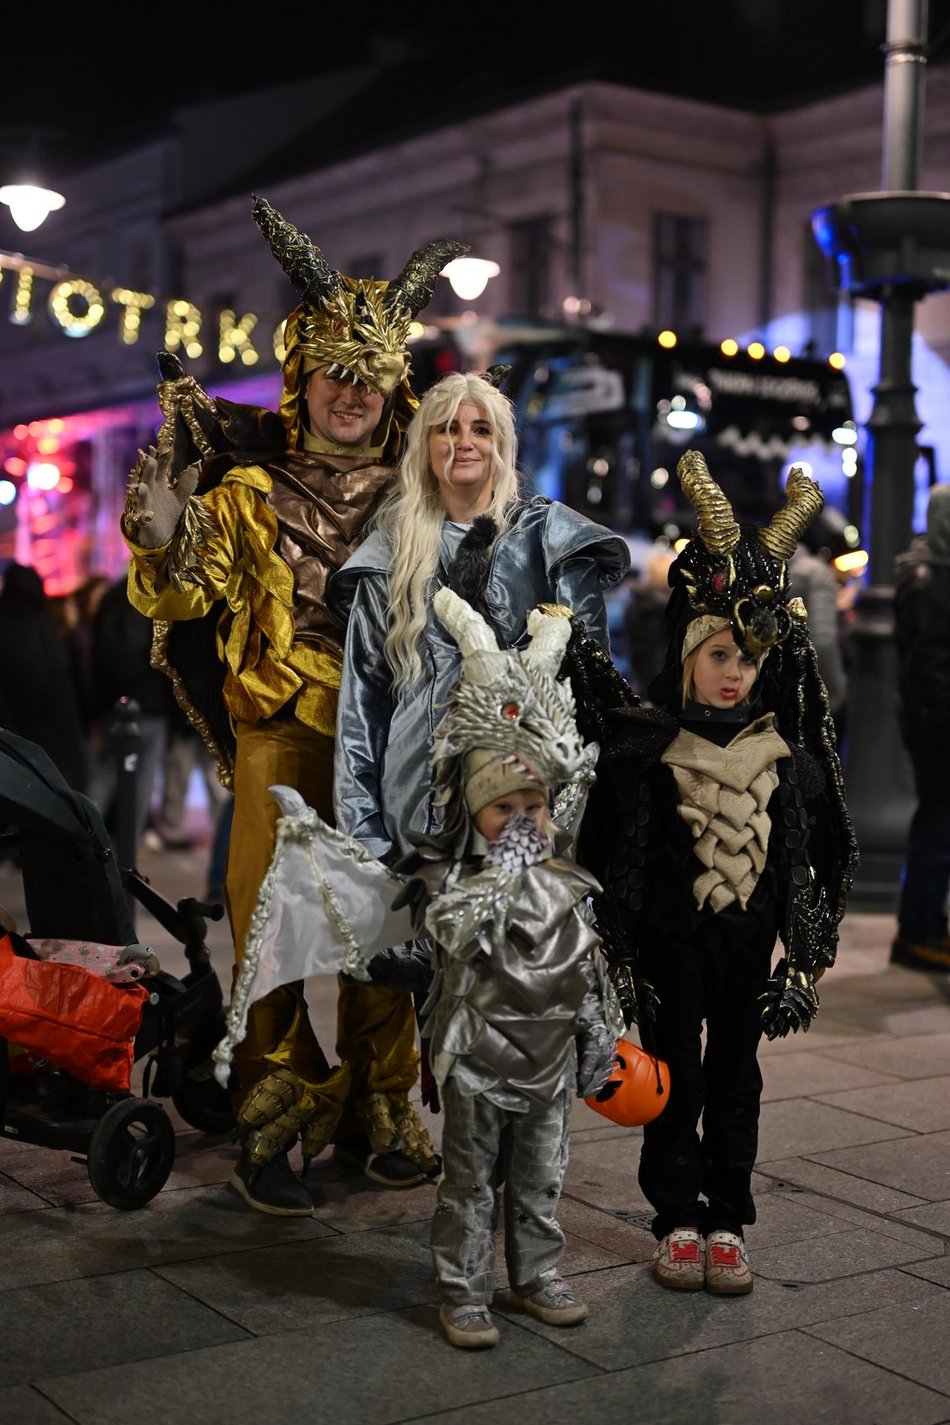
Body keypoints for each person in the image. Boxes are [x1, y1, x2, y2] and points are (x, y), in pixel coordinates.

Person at [121, 194, 465, 1214]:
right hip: (278, 734)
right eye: (333, 376)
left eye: (367, 378)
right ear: (300, 380)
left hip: (389, 747)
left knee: (386, 930)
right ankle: (279, 1100)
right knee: (269, 923)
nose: (349, 395)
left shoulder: (424, 499)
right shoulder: (244, 494)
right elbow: (179, 595)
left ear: (389, 384)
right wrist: (155, 530)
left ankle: (381, 1103)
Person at [566, 451, 856, 1296]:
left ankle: (727, 1215)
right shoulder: (646, 750)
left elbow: (813, 859)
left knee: (733, 1075)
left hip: (746, 950)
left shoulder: (791, 762)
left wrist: (802, 961)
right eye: (720, 652)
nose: (734, 671)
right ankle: (676, 1218)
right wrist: (617, 953)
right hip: (668, 951)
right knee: (673, 1077)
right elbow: (614, 854)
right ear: (690, 650)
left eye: (748, 659)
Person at [406, 589, 620, 1349]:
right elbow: (443, 963)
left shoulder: (568, 883)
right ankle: (463, 1286)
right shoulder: (457, 886)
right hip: (480, 1065)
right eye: (503, 808)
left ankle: (534, 1273)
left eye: (534, 804)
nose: (522, 819)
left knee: (539, 1176)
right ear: (474, 811)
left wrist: (596, 1037)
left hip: (549, 1062)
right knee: (468, 1181)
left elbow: (586, 967)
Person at [329, 369, 631, 864]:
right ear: (425, 445)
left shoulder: (550, 539)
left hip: (527, 808)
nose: (463, 442)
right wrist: (366, 843)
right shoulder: (390, 551)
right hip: (412, 811)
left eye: (480, 429)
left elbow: (592, 697)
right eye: (447, 428)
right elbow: (361, 709)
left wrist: (574, 824)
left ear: (502, 444)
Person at [892, 483, 950, 972]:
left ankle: (926, 927)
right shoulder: (930, 578)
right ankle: (920, 932)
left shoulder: (927, 572)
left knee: (937, 826)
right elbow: (931, 664)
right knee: (938, 828)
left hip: (930, 721)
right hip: (938, 727)